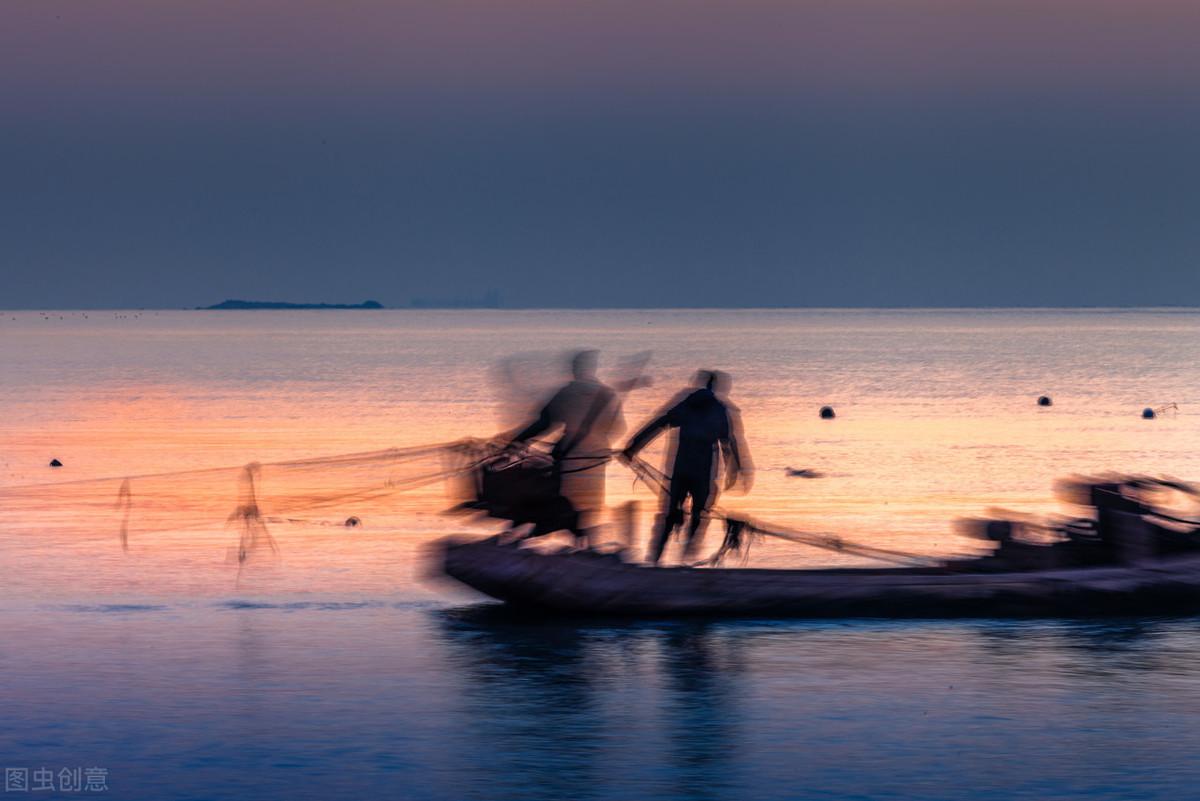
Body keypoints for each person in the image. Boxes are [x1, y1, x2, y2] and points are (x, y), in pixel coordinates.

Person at [621, 370, 751, 564]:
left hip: (681, 469)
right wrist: (736, 470)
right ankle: (686, 560)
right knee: (699, 516)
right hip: (703, 473)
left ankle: (655, 560)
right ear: (716, 387)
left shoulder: (688, 404)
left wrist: (633, 447)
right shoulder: (718, 410)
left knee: (670, 515)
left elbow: (660, 423)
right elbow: (728, 443)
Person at [508, 350, 625, 547]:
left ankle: (525, 537)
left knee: (555, 499)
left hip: (569, 464)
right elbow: (618, 428)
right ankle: (583, 547)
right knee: (585, 511)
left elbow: (542, 424)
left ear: (574, 370)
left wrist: (516, 442)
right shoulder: (607, 395)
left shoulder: (566, 394)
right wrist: (597, 444)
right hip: (595, 464)